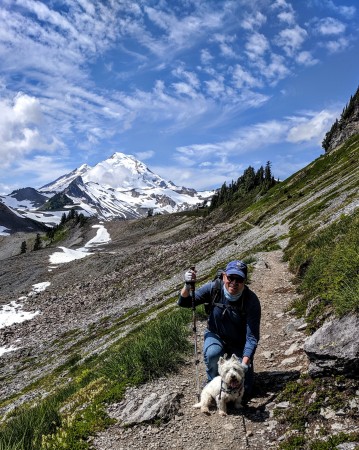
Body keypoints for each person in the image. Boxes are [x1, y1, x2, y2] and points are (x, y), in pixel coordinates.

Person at [178, 260, 261, 404]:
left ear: (244, 281)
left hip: (239, 342)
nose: (234, 282)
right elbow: (184, 302)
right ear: (224, 277)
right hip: (215, 335)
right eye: (230, 278)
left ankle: (234, 376)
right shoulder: (213, 289)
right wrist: (187, 285)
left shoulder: (251, 301)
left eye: (239, 279)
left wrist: (244, 364)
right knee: (213, 354)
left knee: (245, 390)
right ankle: (213, 382)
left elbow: (252, 337)